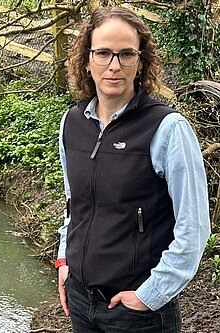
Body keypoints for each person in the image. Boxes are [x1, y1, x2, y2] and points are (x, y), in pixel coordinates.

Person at [55, 6, 211, 332]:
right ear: (86, 59)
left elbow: (194, 229)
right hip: (82, 303)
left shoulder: (167, 130)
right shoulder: (71, 123)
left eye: (126, 54)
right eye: (103, 53)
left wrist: (150, 296)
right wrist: (64, 261)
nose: (114, 65)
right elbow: (75, 206)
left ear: (140, 62)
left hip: (139, 314)